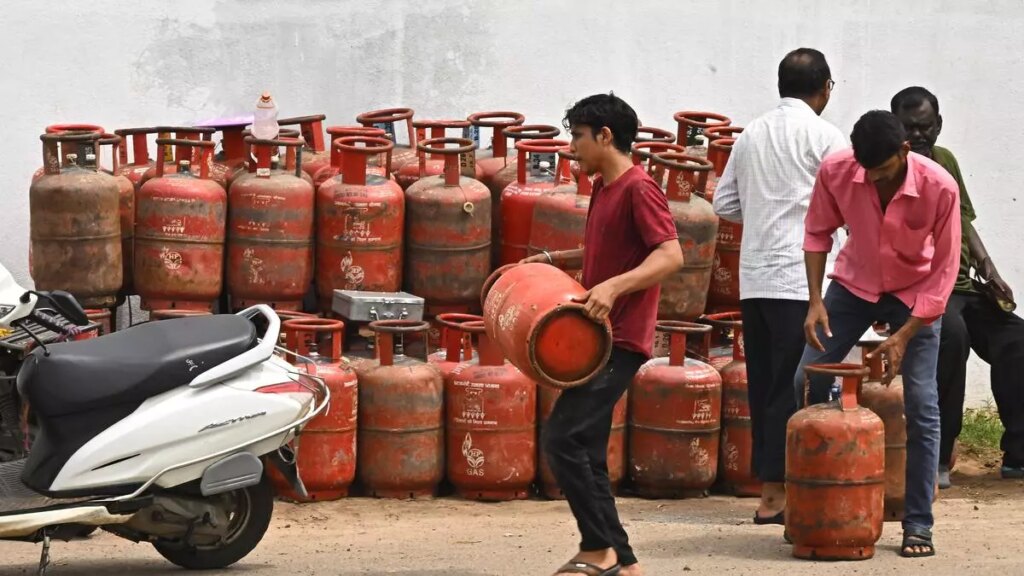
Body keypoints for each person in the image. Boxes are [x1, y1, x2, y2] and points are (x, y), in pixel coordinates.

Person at [520, 93, 683, 576]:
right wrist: (552, 262)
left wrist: (613, 287)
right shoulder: (604, 189)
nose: (572, 146)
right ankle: (625, 561)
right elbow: (603, 251)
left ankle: (598, 548)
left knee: (562, 439)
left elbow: (669, 255)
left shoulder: (639, 188)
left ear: (604, 136)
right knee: (585, 448)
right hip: (596, 340)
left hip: (621, 340)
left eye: (577, 136)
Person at [795, 110, 961, 558]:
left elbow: (944, 274)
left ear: (904, 151)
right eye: (868, 173)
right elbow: (817, 234)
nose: (875, 181)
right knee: (806, 379)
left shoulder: (940, 186)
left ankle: (918, 524)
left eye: (884, 173)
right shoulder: (838, 170)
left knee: (922, 405)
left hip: (916, 295)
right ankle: (820, 500)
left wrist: (904, 336)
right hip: (853, 285)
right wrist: (815, 301)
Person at [712, 47, 846, 527]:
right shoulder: (827, 137)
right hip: (803, 283)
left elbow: (724, 203)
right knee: (804, 386)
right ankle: (797, 488)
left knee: (767, 385)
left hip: (755, 278)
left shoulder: (751, 134)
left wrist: (765, 212)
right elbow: (847, 209)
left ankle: (771, 492)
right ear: (825, 87)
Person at [891, 86, 1024, 487]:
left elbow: (963, 221)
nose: (918, 135)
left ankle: (1018, 452)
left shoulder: (945, 160)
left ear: (939, 125)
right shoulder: (887, 167)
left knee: (1017, 339)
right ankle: (939, 453)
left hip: (964, 287)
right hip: (924, 290)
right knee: (952, 336)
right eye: (909, 128)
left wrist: (990, 269)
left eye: (926, 126)